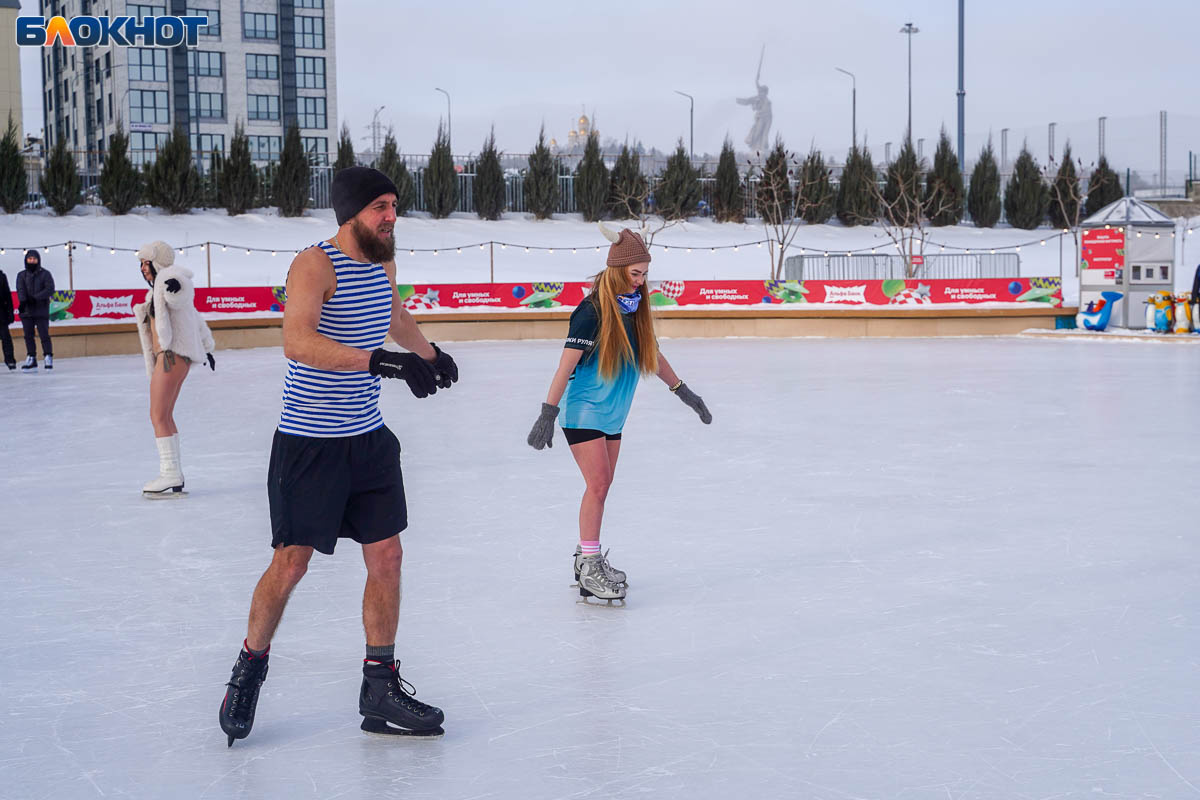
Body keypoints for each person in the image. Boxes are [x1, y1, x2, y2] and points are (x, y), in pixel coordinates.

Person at [219, 166, 460, 747]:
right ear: (351, 212)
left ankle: (379, 687)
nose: (391, 216)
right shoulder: (315, 264)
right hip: (310, 443)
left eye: (394, 205)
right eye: (380, 206)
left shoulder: (383, 261)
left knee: (388, 557)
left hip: (368, 440)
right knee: (291, 563)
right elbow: (297, 341)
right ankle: (248, 670)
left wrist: (429, 353)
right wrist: (381, 362)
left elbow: (394, 315)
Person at [526, 225, 712, 603]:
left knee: (603, 485)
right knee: (597, 484)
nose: (641, 282)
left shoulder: (633, 309)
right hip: (584, 412)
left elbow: (652, 355)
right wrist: (547, 413)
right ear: (617, 271)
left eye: (644, 274)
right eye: (635, 273)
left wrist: (682, 391)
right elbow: (565, 366)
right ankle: (590, 565)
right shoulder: (591, 312)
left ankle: (586, 557)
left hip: (613, 414)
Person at [133, 241, 216, 497]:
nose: (142, 269)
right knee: (165, 415)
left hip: (171, 356)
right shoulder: (155, 290)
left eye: (145, 263)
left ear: (156, 262)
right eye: (141, 264)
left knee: (158, 415)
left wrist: (175, 288)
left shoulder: (169, 278)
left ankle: (169, 473)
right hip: (173, 357)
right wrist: (207, 346)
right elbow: (194, 315)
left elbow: (180, 294)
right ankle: (173, 472)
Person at [15, 249, 54, 370]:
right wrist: (24, 302)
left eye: (34, 259)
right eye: (30, 259)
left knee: (44, 335)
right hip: (27, 311)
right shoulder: (21, 275)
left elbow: (50, 289)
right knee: (28, 335)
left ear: (38, 260)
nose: (32, 261)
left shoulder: (45, 274)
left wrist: (35, 298)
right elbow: (20, 289)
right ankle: (31, 357)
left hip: (41, 310)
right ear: (26, 260)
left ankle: (48, 356)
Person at [0, 266, 14, 369]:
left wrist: (10, 312)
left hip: (1, 314)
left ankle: (10, 360)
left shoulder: (1, 276)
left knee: (6, 338)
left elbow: (7, 295)